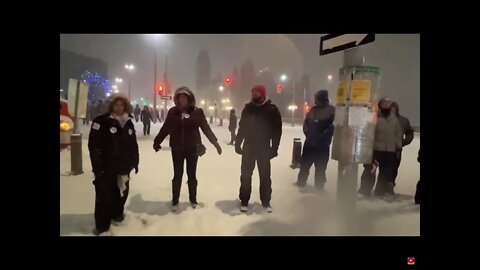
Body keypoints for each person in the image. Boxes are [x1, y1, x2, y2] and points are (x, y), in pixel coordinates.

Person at [153, 86, 222, 211]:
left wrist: (215, 143)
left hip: (192, 148)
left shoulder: (197, 112)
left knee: (192, 174)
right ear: (177, 99)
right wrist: (157, 141)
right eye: (180, 98)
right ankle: (175, 199)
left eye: (185, 98)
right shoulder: (173, 112)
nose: (182, 100)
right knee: (177, 174)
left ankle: (193, 199)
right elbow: (166, 128)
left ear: (189, 99)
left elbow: (206, 128)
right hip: (177, 149)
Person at [88, 93, 139, 236]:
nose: (119, 108)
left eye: (122, 105)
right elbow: (94, 146)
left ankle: (117, 215)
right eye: (116, 105)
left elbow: (133, 144)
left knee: (122, 193)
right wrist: (97, 166)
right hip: (106, 167)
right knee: (104, 196)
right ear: (111, 106)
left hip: (123, 166)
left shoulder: (128, 122)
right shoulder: (101, 121)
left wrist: (135, 161)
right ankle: (102, 227)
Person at [235, 85, 282, 213]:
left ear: (261, 94)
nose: (253, 94)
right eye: (252, 92)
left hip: (264, 147)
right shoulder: (248, 108)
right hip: (249, 146)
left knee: (265, 176)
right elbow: (242, 127)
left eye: (255, 92)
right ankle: (244, 200)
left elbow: (277, 130)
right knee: (245, 175)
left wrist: (275, 148)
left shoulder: (271, 109)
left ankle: (266, 201)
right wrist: (238, 142)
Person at [358, 97, 402, 199]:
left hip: (389, 151)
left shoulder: (394, 119)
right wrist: (368, 147)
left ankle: (380, 192)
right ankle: (364, 191)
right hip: (376, 150)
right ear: (380, 105)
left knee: (385, 173)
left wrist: (398, 146)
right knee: (370, 171)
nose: (386, 106)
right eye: (384, 104)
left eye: (388, 104)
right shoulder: (374, 117)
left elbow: (398, 134)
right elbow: (368, 132)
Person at [296, 90, 335, 192]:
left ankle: (319, 187)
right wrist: (308, 134)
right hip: (309, 143)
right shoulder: (313, 110)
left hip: (322, 145)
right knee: (305, 165)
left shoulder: (331, 110)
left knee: (321, 168)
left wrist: (322, 137)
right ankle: (301, 183)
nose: (315, 100)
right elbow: (306, 123)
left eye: (316, 98)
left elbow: (332, 127)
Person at [390, 102, 414, 184]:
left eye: (394, 109)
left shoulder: (403, 121)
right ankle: (381, 190)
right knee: (383, 170)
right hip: (381, 149)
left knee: (393, 169)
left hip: (396, 150)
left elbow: (410, 133)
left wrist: (403, 142)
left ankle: (389, 189)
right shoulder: (381, 119)